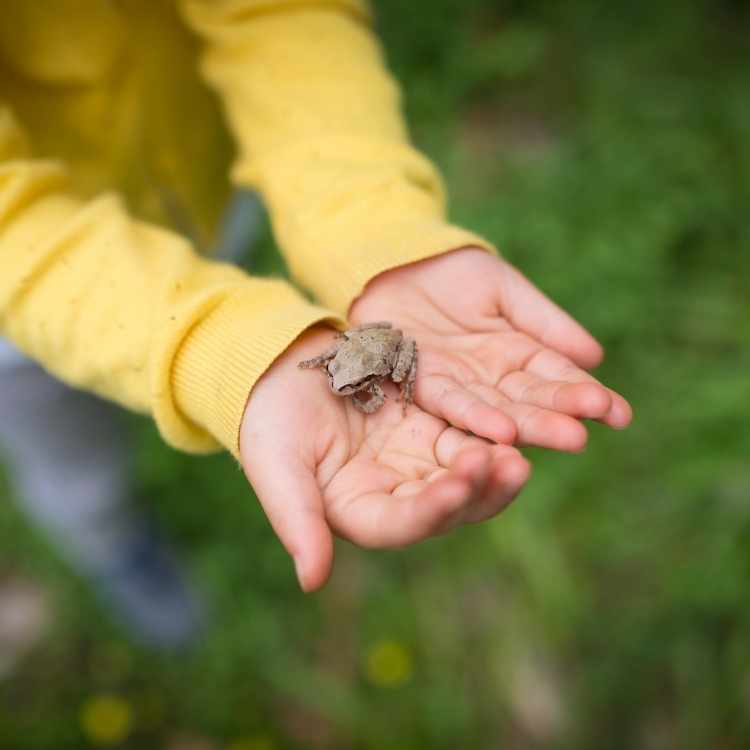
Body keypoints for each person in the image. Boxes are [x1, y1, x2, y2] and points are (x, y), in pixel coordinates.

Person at [0, 0, 631, 623]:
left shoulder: (360, 371)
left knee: (237, 257)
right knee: (71, 460)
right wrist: (229, 350)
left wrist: (370, 227)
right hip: (18, 315)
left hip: (205, 190)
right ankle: (111, 541)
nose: (345, 390)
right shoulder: (338, 370)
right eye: (341, 384)